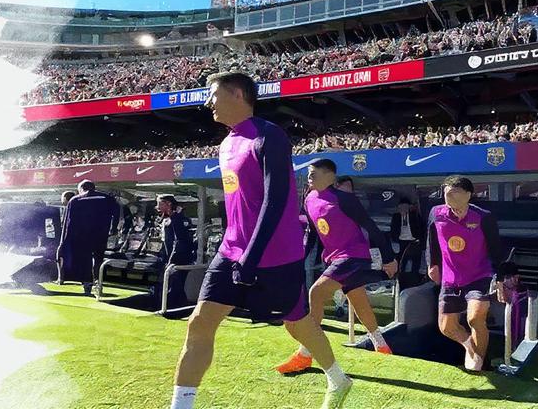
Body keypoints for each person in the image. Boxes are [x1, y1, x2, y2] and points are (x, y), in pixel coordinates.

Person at [171, 72, 352, 409]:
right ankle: (181, 404)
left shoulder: (269, 135)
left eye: (213, 94)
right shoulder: (226, 143)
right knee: (200, 322)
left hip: (275, 256)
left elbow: (275, 199)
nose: (207, 101)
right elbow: (238, 204)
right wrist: (236, 250)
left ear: (238, 94)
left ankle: (338, 379)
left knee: (297, 324)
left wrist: (251, 257)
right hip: (231, 251)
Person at [277, 159, 398, 374]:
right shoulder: (309, 199)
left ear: (330, 176)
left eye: (313, 173)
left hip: (353, 256)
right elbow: (313, 234)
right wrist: (301, 257)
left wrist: (389, 258)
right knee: (359, 303)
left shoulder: (344, 199)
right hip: (335, 259)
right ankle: (382, 347)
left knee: (316, 292)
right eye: (308, 173)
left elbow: (370, 226)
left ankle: (305, 354)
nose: (309, 177)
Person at [426, 175, 507, 371]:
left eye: (454, 193)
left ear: (468, 195)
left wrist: (500, 278)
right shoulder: (436, 213)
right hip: (450, 278)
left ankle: (477, 365)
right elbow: (431, 241)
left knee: (475, 317)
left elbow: (497, 249)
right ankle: (469, 345)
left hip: (480, 276)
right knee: (446, 327)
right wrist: (432, 264)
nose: (449, 197)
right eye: (446, 193)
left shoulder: (483, 216)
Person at [56, 180, 120, 295]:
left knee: (85, 260)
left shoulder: (75, 200)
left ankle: (87, 284)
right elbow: (117, 210)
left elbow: (68, 223)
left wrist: (65, 240)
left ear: (81, 188)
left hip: (82, 237)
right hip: (101, 234)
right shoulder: (106, 198)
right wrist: (114, 228)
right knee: (99, 259)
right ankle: (98, 282)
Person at [156, 194, 195, 309]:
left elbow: (179, 241)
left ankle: (174, 306)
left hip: (179, 259)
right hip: (170, 257)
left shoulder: (177, 219)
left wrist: (172, 259)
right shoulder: (169, 219)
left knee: (175, 283)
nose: (157, 207)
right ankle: (172, 304)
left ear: (168, 204)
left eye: (159, 204)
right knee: (171, 283)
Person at [390, 197, 425, 281]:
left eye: (405, 207)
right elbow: (393, 229)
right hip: (402, 241)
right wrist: (395, 239)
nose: (403, 209)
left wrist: (420, 239)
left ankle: (415, 277)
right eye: (401, 207)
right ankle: (400, 276)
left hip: (414, 240)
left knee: (416, 259)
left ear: (409, 207)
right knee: (402, 260)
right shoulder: (396, 217)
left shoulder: (414, 216)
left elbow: (422, 228)